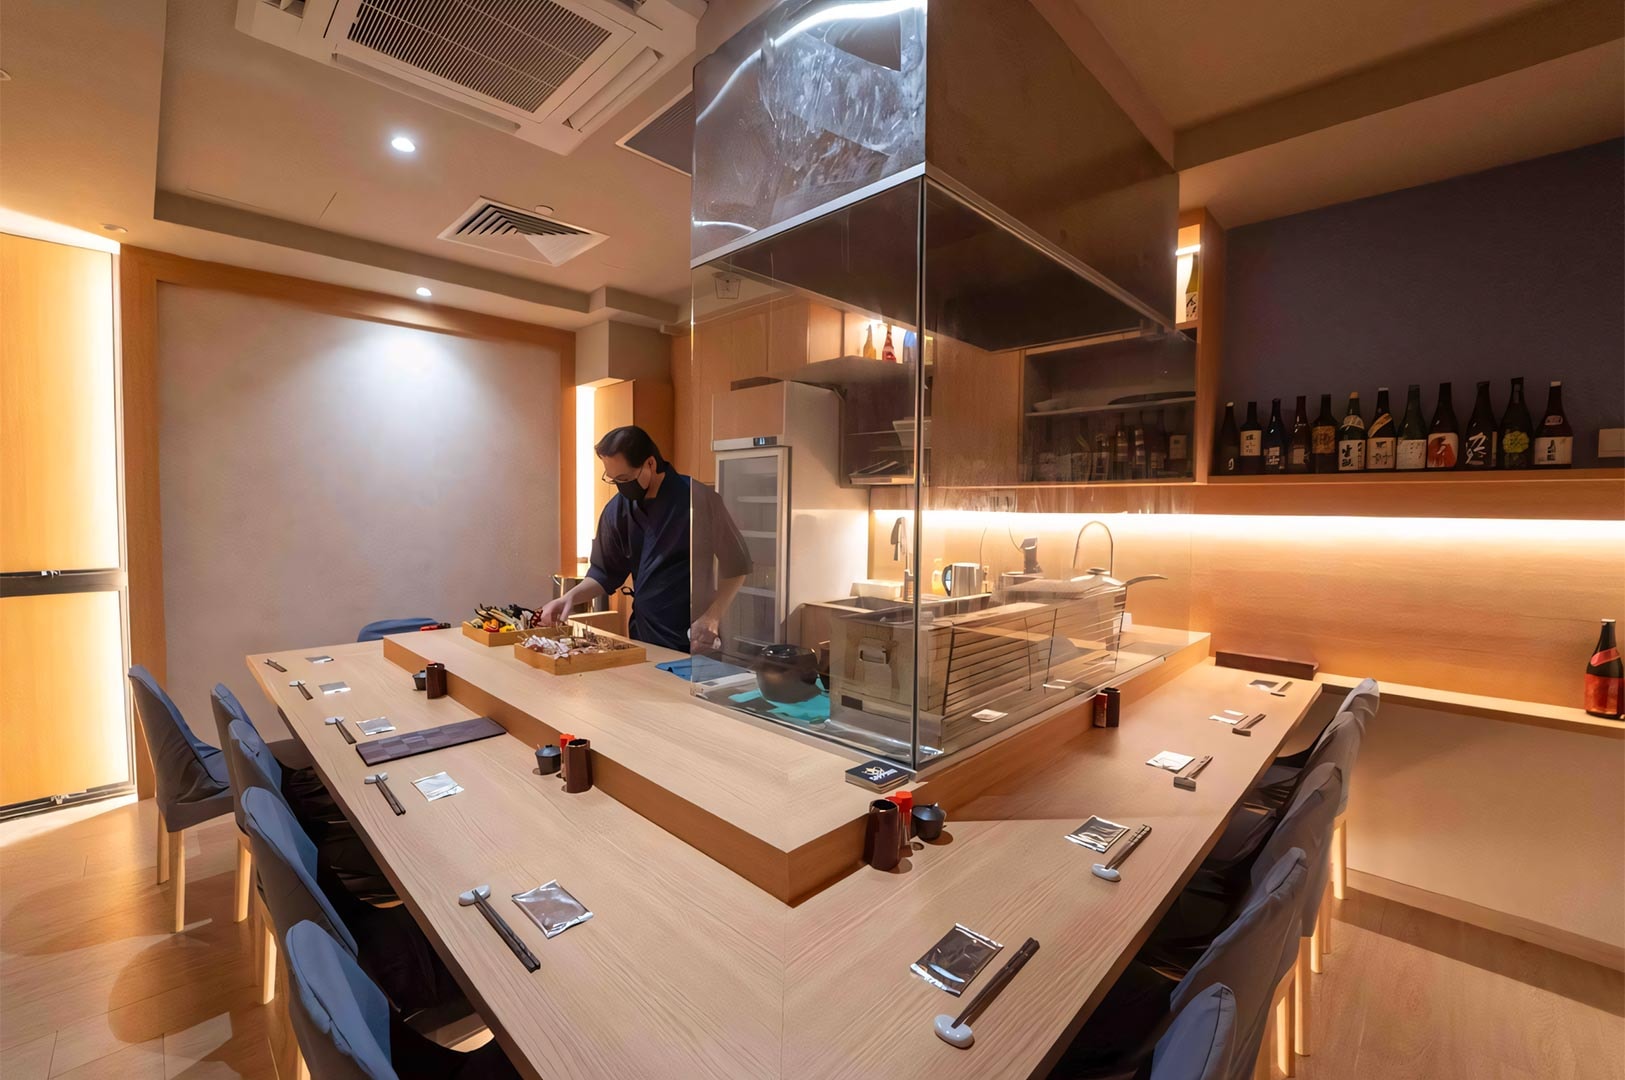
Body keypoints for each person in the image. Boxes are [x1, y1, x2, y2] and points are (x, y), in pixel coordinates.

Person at [541, 426, 750, 653]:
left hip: (693, 638)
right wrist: (570, 597)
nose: (620, 486)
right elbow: (605, 573)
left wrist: (712, 618)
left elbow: (737, 568)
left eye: (625, 478)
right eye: (613, 480)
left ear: (650, 463)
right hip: (643, 636)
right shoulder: (617, 510)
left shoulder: (698, 499)